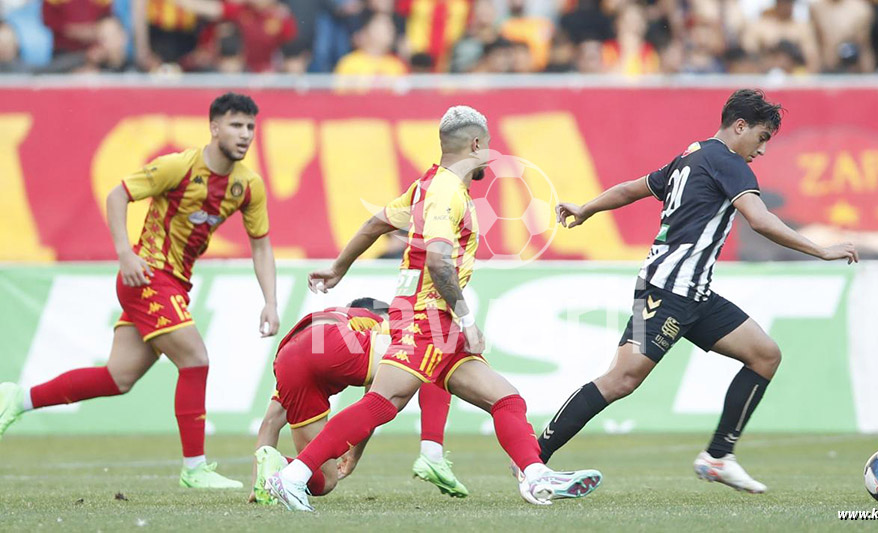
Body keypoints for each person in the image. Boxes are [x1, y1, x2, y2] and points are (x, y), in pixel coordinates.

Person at [265, 105, 602, 512]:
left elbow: (376, 223)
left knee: (506, 398)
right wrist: (467, 320)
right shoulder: (444, 192)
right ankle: (292, 476)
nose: (489, 156)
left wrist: (339, 267)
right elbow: (438, 261)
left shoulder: (427, 186)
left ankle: (534, 476)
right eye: (488, 147)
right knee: (382, 404)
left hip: (436, 321)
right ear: (476, 145)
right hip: (425, 319)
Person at [536, 89, 858, 493]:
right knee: (621, 380)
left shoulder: (692, 155)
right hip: (667, 290)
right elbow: (759, 220)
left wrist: (587, 208)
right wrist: (821, 250)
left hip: (695, 293)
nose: (761, 150)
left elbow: (632, 189)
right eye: (761, 138)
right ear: (740, 127)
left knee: (764, 355)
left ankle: (719, 457)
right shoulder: (731, 164)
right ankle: (532, 459)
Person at [0, 93, 279, 489]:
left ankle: (18, 398)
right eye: (236, 125)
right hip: (147, 276)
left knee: (117, 378)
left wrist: (270, 300)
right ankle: (194, 469)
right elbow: (118, 194)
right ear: (214, 127)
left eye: (250, 127)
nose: (245, 134)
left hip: (175, 284)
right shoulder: (178, 166)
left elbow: (261, 244)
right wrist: (125, 255)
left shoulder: (247, 186)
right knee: (196, 359)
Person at [250, 297, 468, 503]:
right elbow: (376, 398)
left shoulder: (339, 317)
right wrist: (354, 455)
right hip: (332, 339)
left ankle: (276, 466)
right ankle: (432, 451)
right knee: (432, 356)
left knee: (325, 480)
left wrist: (255, 487)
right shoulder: (377, 320)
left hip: (289, 356)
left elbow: (270, 423)